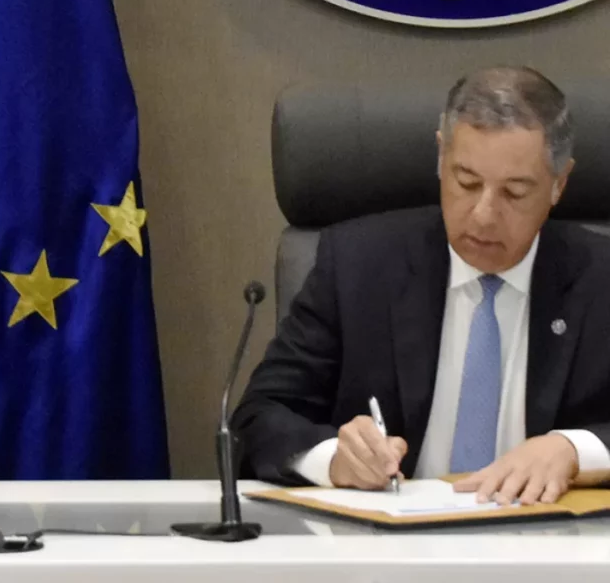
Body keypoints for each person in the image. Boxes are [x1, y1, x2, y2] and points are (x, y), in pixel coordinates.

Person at [233, 66, 610, 506]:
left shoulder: (600, 279)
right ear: (439, 157)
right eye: (466, 182)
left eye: (514, 193)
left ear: (559, 184)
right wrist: (333, 458)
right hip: (386, 541)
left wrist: (574, 450)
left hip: (550, 540)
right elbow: (257, 418)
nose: (483, 215)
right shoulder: (359, 266)